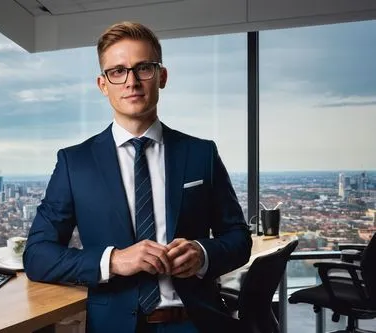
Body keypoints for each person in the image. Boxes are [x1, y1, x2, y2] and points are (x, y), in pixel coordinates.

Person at [23, 21, 252, 333]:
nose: (131, 81)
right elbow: (37, 255)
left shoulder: (201, 153)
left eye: (143, 68)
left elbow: (238, 238)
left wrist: (203, 253)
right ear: (103, 84)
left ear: (162, 76)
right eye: (117, 71)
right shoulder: (74, 163)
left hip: (195, 323)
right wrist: (113, 260)